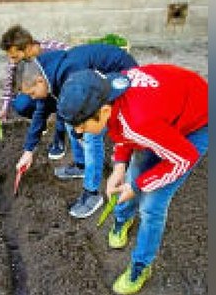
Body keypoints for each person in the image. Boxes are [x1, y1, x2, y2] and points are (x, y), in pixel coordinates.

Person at [56, 65, 208, 295]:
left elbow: (182, 159)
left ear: (104, 111)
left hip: (196, 123)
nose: (79, 132)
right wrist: (118, 167)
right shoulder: (110, 91)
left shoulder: (138, 122)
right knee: (133, 170)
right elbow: (122, 130)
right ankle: (123, 218)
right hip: (163, 116)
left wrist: (137, 186)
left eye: (82, 126)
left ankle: (141, 265)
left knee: (152, 204)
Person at [10, 43, 138, 219]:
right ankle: (81, 165)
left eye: (32, 93)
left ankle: (92, 193)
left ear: (40, 81)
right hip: (92, 82)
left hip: (120, 73)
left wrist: (82, 135)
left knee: (91, 134)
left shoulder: (69, 72)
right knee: (72, 121)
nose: (33, 98)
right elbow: (41, 111)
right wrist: (28, 151)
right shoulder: (45, 75)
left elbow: (86, 109)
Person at [0, 25, 70, 159]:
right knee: (20, 103)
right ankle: (41, 123)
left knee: (62, 103)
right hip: (41, 92)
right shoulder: (15, 61)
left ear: (27, 47)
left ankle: (59, 138)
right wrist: (4, 109)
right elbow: (8, 87)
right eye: (10, 57)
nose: (12, 61)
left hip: (63, 91)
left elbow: (74, 61)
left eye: (14, 56)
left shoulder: (55, 48)